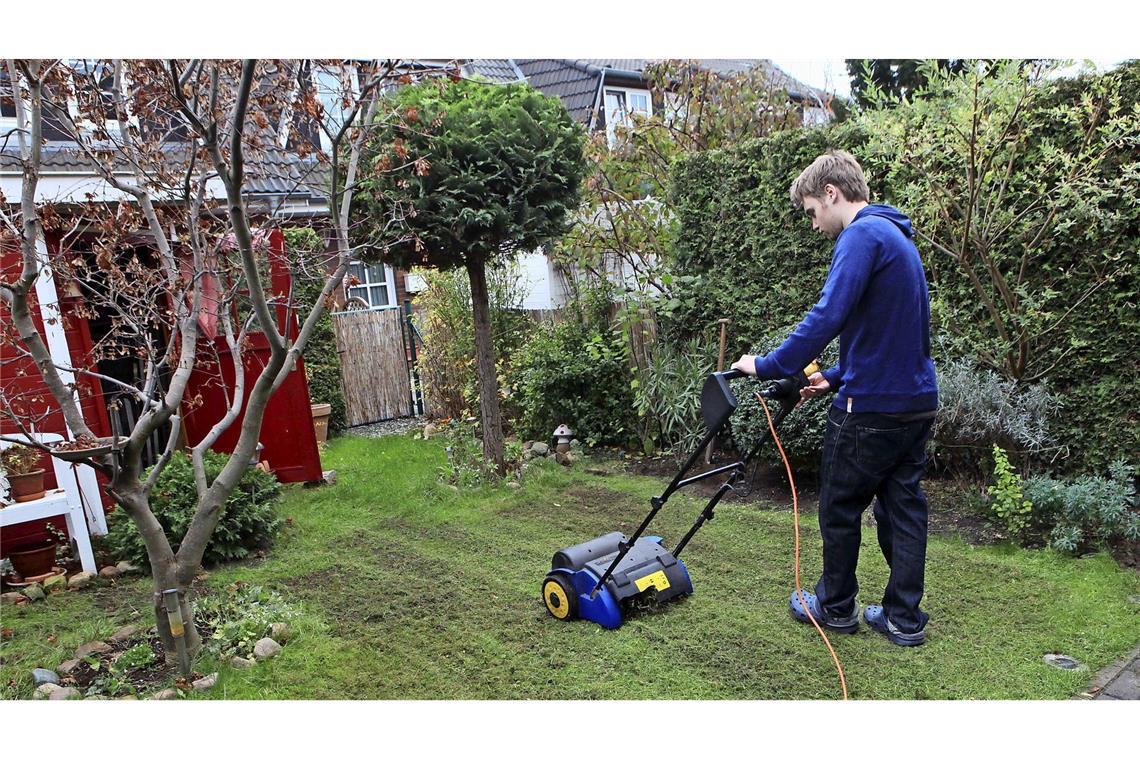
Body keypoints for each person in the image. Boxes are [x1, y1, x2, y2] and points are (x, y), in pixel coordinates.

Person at [730, 150, 938, 646]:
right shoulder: (896, 237)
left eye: (811, 211)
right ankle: (903, 619)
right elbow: (895, 335)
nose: (814, 224)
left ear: (831, 193)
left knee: (839, 508)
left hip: (870, 411)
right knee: (902, 510)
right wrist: (838, 374)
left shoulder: (861, 235)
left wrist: (767, 365)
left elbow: (828, 315)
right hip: (915, 403)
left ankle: (835, 605)